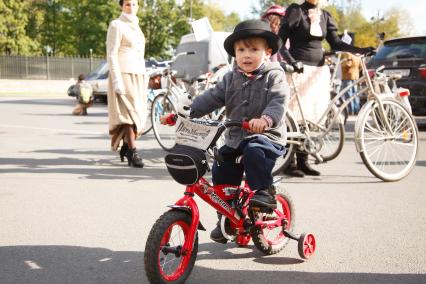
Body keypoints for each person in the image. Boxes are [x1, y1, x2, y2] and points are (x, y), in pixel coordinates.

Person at [162, 19, 289, 243]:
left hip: (266, 136)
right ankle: (228, 217)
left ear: (267, 52)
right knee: (220, 165)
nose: (246, 55)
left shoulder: (274, 76)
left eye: (253, 49)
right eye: (241, 50)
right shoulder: (230, 78)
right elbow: (211, 98)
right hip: (234, 137)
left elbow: (278, 101)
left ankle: (264, 191)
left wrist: (266, 119)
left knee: (254, 150)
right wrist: (184, 114)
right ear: (234, 54)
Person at [278, 0, 374, 177]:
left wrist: (359, 50)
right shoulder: (295, 10)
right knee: (295, 117)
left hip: (319, 73)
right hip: (300, 71)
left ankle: (303, 161)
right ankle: (289, 163)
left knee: (312, 118)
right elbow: (279, 41)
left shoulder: (325, 15)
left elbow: (336, 43)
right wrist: (291, 62)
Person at [106, 0, 147, 168]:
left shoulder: (137, 27)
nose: (131, 7)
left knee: (138, 114)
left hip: (138, 75)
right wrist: (116, 80)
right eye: (128, 4)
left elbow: (140, 54)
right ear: (121, 6)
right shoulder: (117, 25)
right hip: (123, 74)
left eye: (134, 4)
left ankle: (125, 146)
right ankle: (133, 150)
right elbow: (112, 54)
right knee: (128, 115)